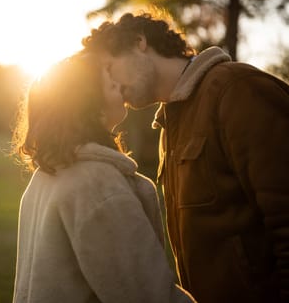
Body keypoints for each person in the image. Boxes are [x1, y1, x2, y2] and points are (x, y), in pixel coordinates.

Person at [81, 9, 289, 303]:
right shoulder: (170, 127)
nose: (112, 84)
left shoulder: (236, 89)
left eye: (109, 67)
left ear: (139, 42)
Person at [10, 53, 195, 303]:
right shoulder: (98, 184)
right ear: (88, 102)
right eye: (109, 80)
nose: (118, 83)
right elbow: (148, 295)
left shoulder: (48, 175)